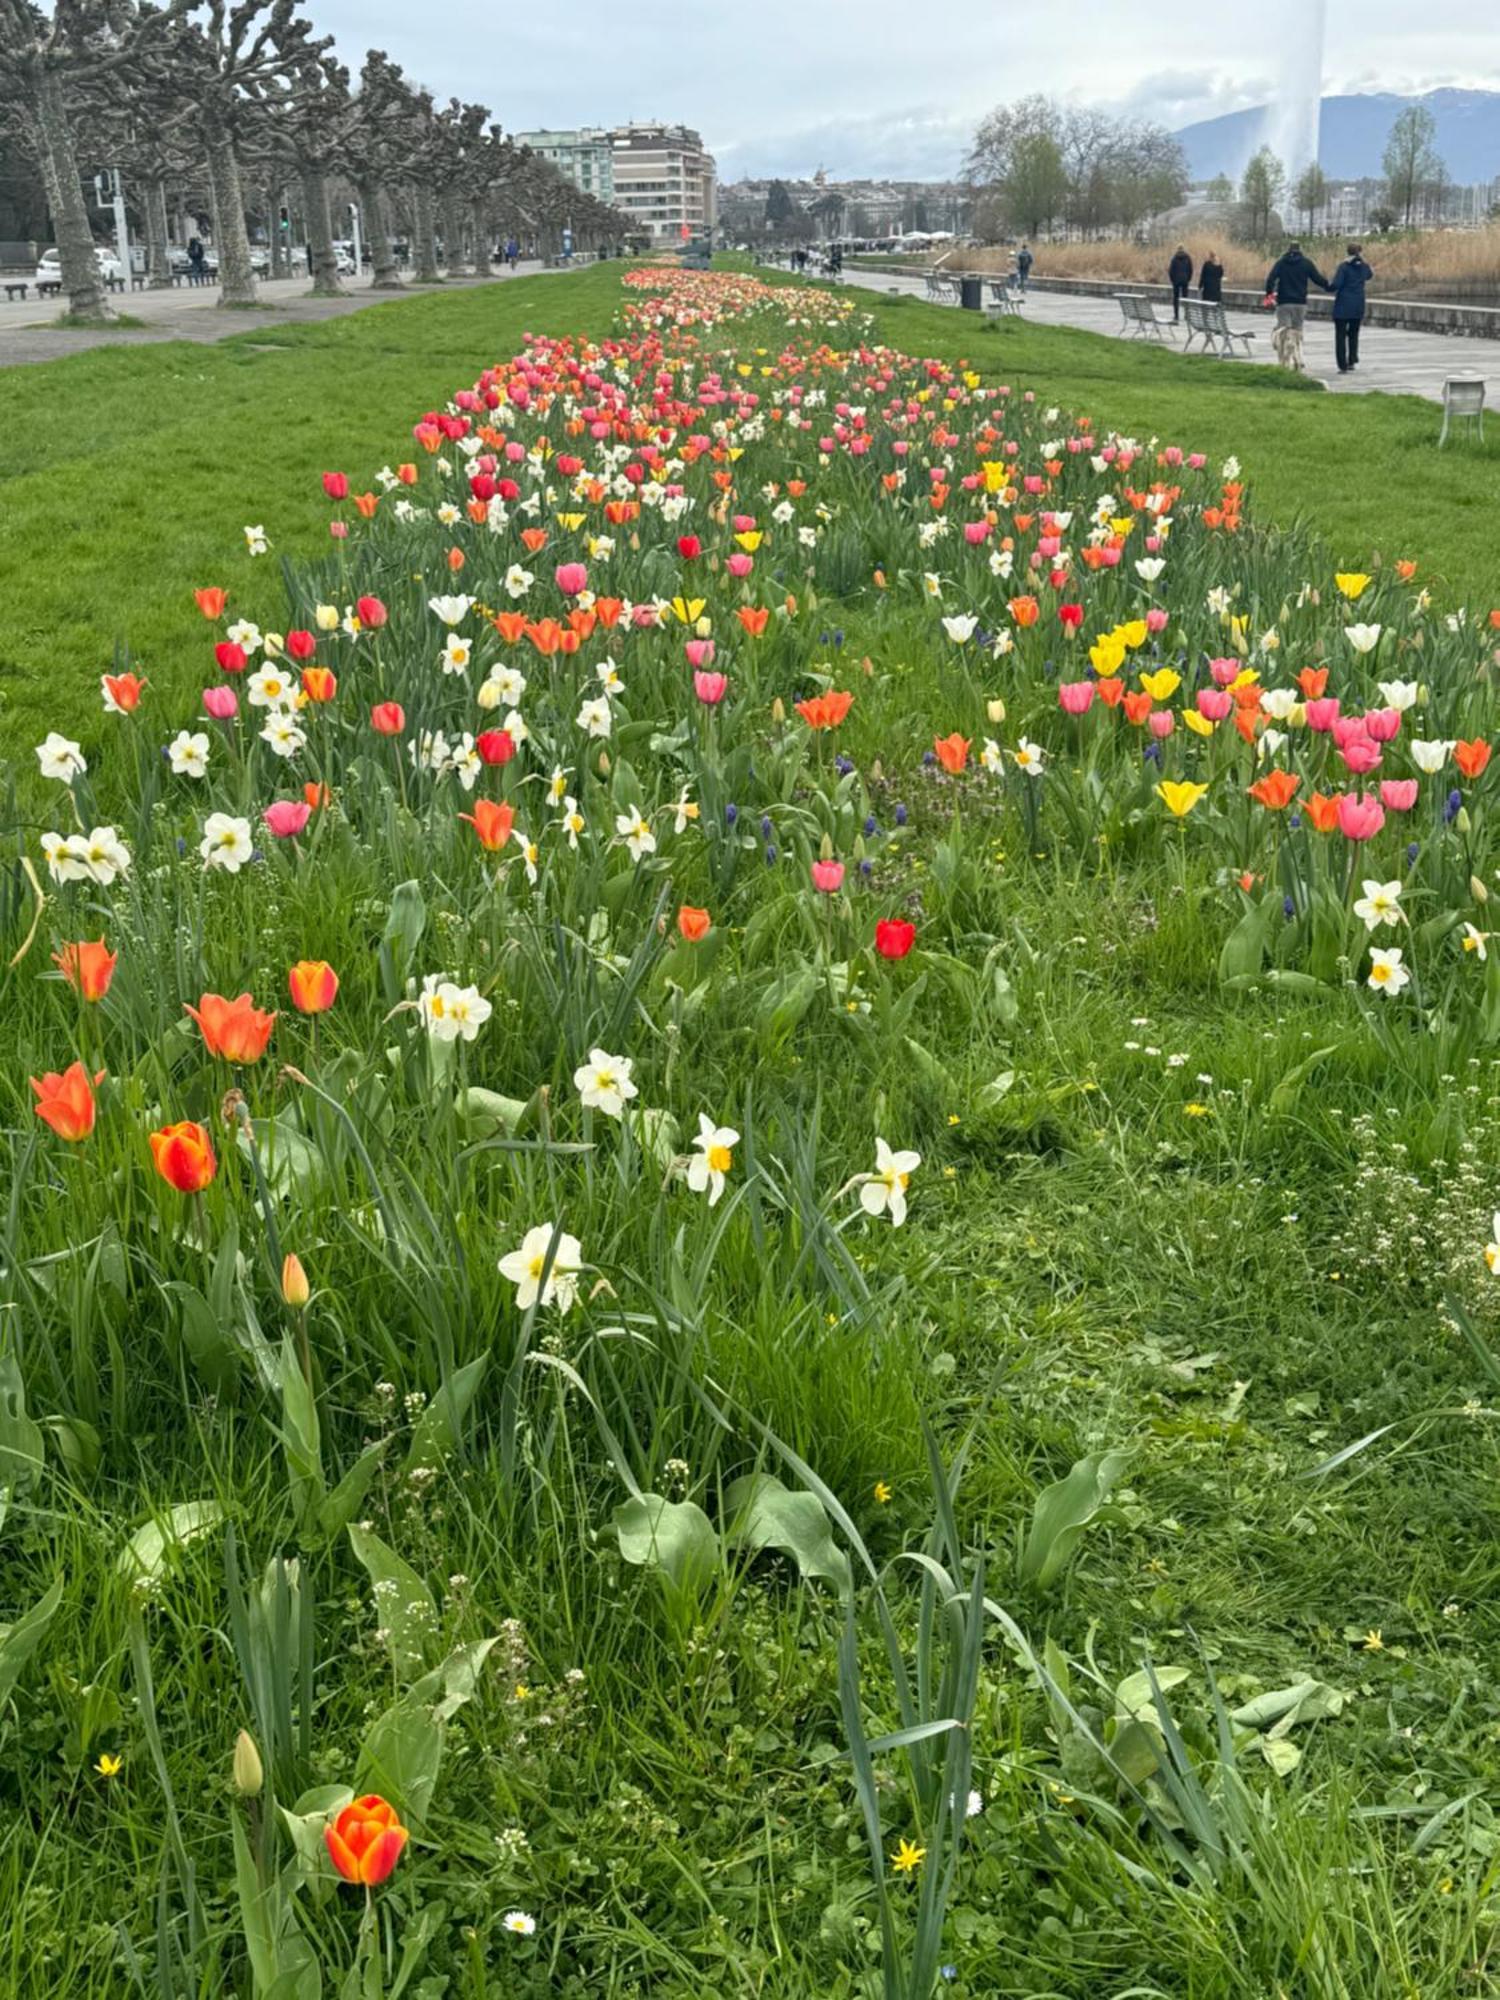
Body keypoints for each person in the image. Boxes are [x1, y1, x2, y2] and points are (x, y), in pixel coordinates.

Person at [1262, 239, 1331, 371]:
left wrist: (1269, 294)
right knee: (1297, 333)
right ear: (1300, 250)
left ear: (1288, 249)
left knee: (1284, 332)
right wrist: (1329, 286)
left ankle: (1284, 362)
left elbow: (1271, 279)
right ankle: (1298, 358)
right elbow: (1317, 278)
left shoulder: (1281, 263)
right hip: (1300, 303)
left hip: (1284, 303)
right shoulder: (1306, 263)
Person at [1329, 241, 1373, 373]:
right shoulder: (1364, 266)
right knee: (1354, 334)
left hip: (1343, 305)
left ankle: (1342, 365)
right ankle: (1352, 360)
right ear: (1359, 252)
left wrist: (1327, 286)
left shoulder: (1343, 267)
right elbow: (1370, 275)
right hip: (1358, 305)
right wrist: (1363, 261)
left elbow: (1336, 284)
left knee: (1340, 335)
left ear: (1347, 252)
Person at [1167, 244, 1193, 320]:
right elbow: (1190, 269)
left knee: (1176, 299)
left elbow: (1171, 271)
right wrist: (1188, 279)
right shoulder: (1187, 258)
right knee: (1185, 298)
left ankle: (1176, 315)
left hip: (1176, 281)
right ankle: (1187, 315)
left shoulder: (1174, 258)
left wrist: (1173, 280)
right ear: (1183, 249)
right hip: (1185, 280)